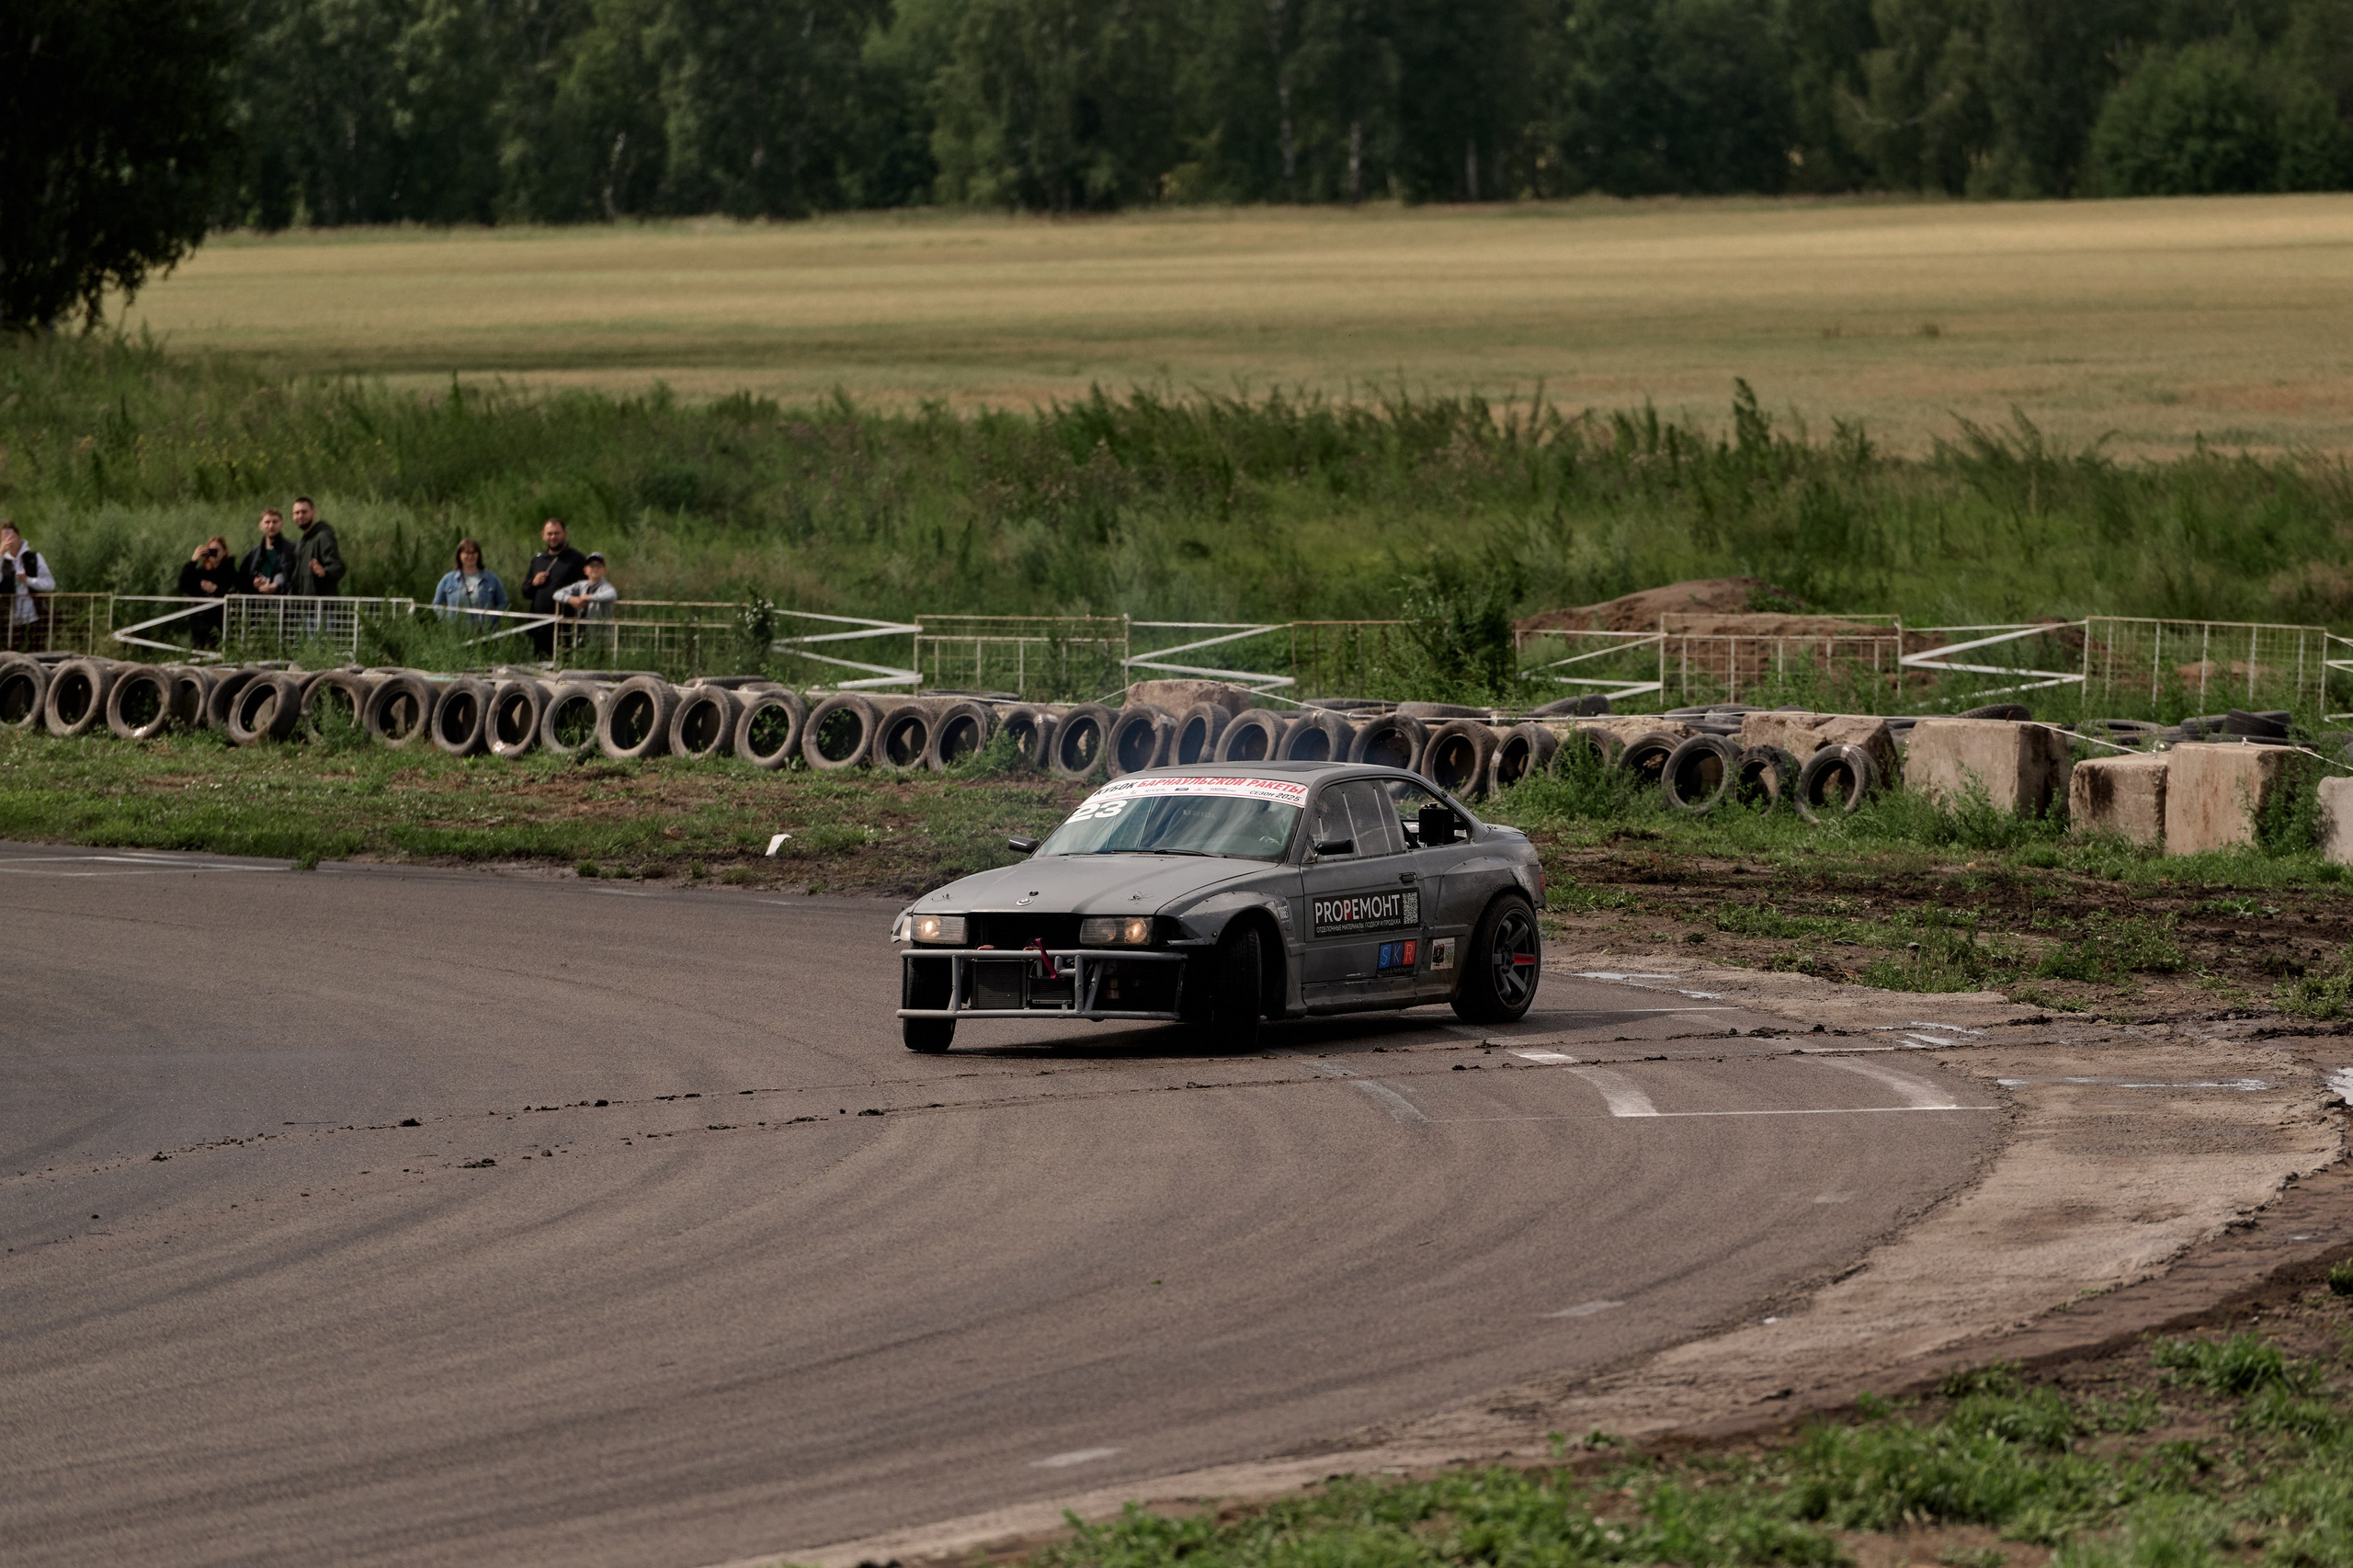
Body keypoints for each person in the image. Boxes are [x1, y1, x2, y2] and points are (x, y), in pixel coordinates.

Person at [522, 517, 586, 657]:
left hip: (564, 626)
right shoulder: (538, 560)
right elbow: (525, 592)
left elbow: (586, 589)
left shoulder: (577, 559)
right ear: (543, 535)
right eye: (549, 533)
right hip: (539, 626)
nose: (553, 537)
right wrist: (534, 583)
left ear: (565, 534)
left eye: (557, 533)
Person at [1, 520, 55, 653]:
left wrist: (28, 581)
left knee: (37, 651)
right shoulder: (2, 561)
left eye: (11, 536)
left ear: (18, 536)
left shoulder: (34, 558)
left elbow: (50, 584)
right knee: (10, 654)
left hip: (34, 615)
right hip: (9, 618)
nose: (9, 540)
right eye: (5, 536)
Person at [431, 538, 508, 629]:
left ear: (478, 555)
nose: (470, 556)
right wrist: (448, 620)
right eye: (467, 553)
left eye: (473, 553)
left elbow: (503, 602)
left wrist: (492, 618)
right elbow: (436, 604)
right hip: (457, 635)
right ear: (459, 555)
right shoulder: (448, 579)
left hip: (486, 633)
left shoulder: (491, 578)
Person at [176, 536, 237, 648]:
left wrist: (216, 590)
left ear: (224, 552)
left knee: (220, 654)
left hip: (221, 623)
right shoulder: (201, 572)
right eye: (210, 550)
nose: (213, 554)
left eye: (216, 550)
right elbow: (183, 585)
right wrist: (193, 561)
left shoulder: (230, 572)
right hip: (200, 623)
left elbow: (235, 595)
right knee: (198, 654)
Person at [289, 496, 345, 597]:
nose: (300, 516)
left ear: (313, 512)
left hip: (322, 607)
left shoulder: (324, 536)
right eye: (297, 513)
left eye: (304, 512)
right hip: (304, 606)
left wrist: (324, 572)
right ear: (293, 516)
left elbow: (338, 566)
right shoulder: (303, 541)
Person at [551, 551, 617, 634]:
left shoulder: (606, 587)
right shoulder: (581, 585)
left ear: (604, 570)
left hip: (600, 634)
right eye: (592, 566)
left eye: (599, 566)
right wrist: (571, 599)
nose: (595, 568)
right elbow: (556, 594)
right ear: (585, 570)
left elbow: (612, 595)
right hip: (580, 633)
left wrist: (588, 597)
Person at [241, 508, 295, 595]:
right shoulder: (252, 555)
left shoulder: (292, 550)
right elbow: (242, 582)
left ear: (281, 524)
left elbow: (296, 580)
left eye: (275, 522)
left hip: (283, 604)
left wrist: (278, 587)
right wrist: (254, 583)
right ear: (260, 526)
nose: (271, 526)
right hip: (257, 605)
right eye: (267, 522)